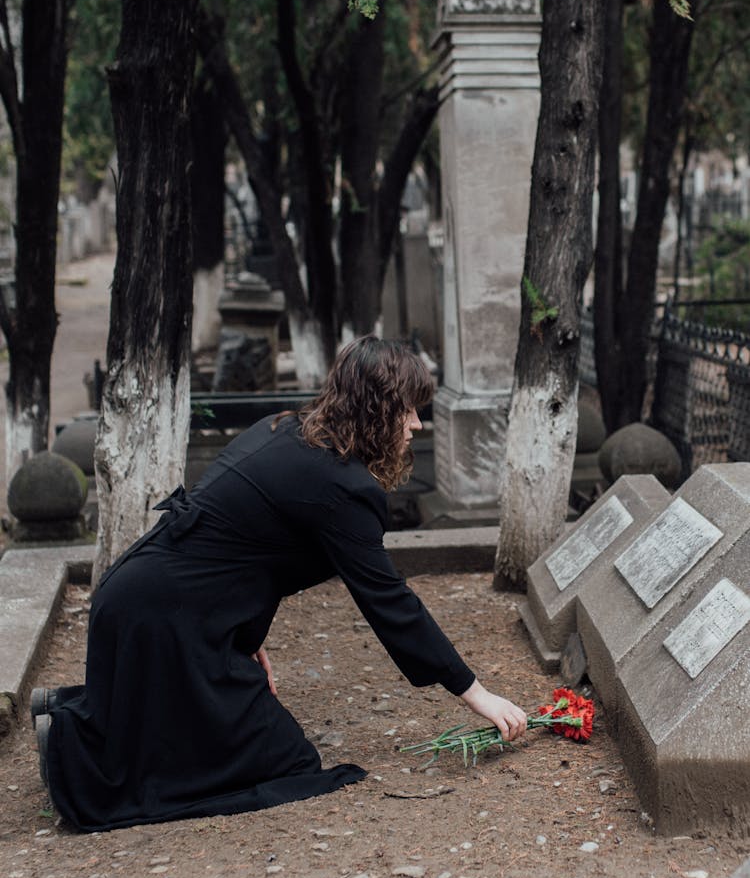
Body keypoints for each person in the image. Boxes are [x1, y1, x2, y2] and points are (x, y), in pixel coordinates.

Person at [33, 335, 527, 832]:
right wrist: (476, 694)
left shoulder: (286, 430)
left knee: (195, 728)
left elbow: (236, 547)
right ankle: (70, 746)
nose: (417, 425)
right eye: (408, 411)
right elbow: (390, 602)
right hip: (166, 617)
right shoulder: (343, 487)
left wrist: (246, 637)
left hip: (146, 598)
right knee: (282, 761)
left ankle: (66, 714)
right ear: (377, 410)